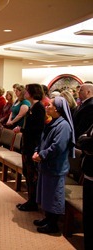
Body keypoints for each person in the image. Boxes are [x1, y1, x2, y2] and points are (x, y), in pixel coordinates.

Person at [32, 97, 75, 234]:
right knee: (46, 193)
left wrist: (42, 155)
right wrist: (36, 151)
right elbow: (42, 140)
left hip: (55, 166)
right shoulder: (53, 121)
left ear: (56, 108)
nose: (46, 106)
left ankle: (53, 224)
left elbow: (57, 147)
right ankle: (48, 218)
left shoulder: (63, 126)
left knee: (54, 194)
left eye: (49, 104)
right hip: (46, 164)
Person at [15, 84, 45, 212]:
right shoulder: (33, 106)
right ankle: (30, 200)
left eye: (27, 91)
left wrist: (22, 129)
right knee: (27, 173)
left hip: (32, 145)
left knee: (32, 174)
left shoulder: (39, 107)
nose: (25, 92)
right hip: (26, 144)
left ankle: (33, 202)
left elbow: (38, 128)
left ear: (33, 92)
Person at [73, 83, 93, 248]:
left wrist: (85, 140)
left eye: (80, 90)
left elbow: (87, 139)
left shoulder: (90, 106)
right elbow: (85, 136)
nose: (78, 92)